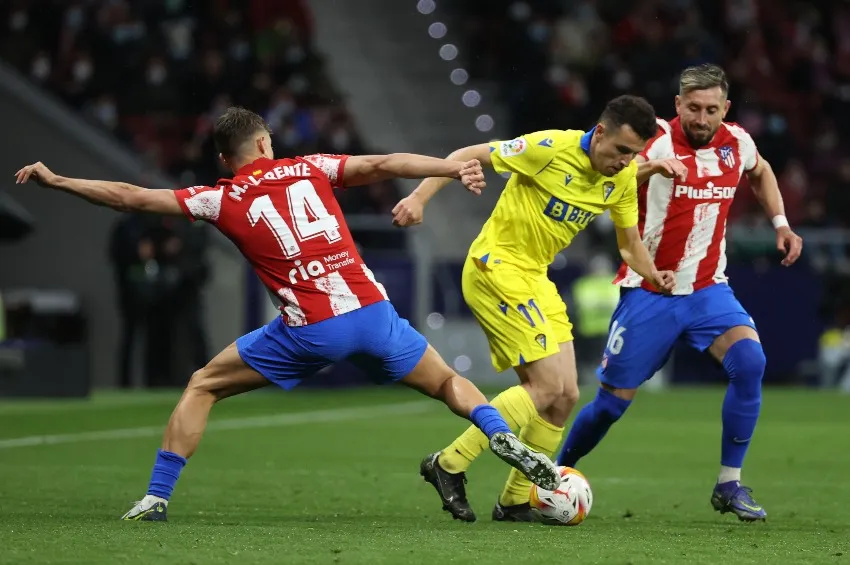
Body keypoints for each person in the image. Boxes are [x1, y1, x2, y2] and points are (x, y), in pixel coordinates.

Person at [14, 106, 560, 522]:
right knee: (444, 382)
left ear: (225, 159)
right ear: (263, 143)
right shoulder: (311, 167)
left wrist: (58, 181)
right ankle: (495, 431)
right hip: (373, 312)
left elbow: (129, 196)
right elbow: (382, 164)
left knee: (203, 385)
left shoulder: (218, 197)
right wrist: (452, 167)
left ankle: (156, 497)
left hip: (312, 329)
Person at [392, 95, 682, 522]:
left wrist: (654, 274)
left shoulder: (621, 179)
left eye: (634, 154)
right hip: (496, 267)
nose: (625, 161)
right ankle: (448, 463)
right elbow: (465, 154)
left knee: (565, 396)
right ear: (600, 132)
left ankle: (513, 500)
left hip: (535, 278)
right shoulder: (548, 148)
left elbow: (629, 244)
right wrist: (419, 198)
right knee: (545, 386)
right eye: (621, 149)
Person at [555, 64, 804, 522]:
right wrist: (650, 166)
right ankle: (554, 473)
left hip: (708, 289)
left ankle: (729, 483)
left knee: (750, 362)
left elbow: (762, 171)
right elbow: (608, 181)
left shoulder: (738, 142)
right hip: (650, 290)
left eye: (711, 109)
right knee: (611, 405)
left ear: (725, 109)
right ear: (678, 105)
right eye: (693, 108)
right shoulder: (654, 140)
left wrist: (781, 224)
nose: (701, 118)